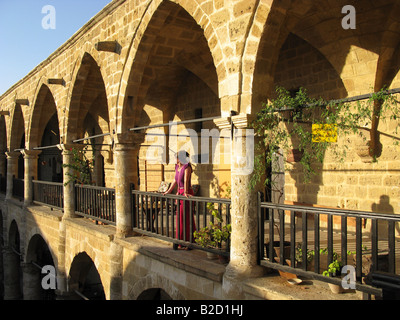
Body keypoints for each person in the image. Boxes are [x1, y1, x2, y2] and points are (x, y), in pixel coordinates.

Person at [163, 151, 196, 250]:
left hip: (186, 193)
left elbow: (186, 180)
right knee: (180, 218)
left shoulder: (187, 167)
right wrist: (168, 191)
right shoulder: (177, 167)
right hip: (180, 193)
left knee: (186, 217)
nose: (175, 160)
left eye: (176, 158)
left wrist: (185, 192)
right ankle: (180, 240)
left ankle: (189, 241)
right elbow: (175, 180)